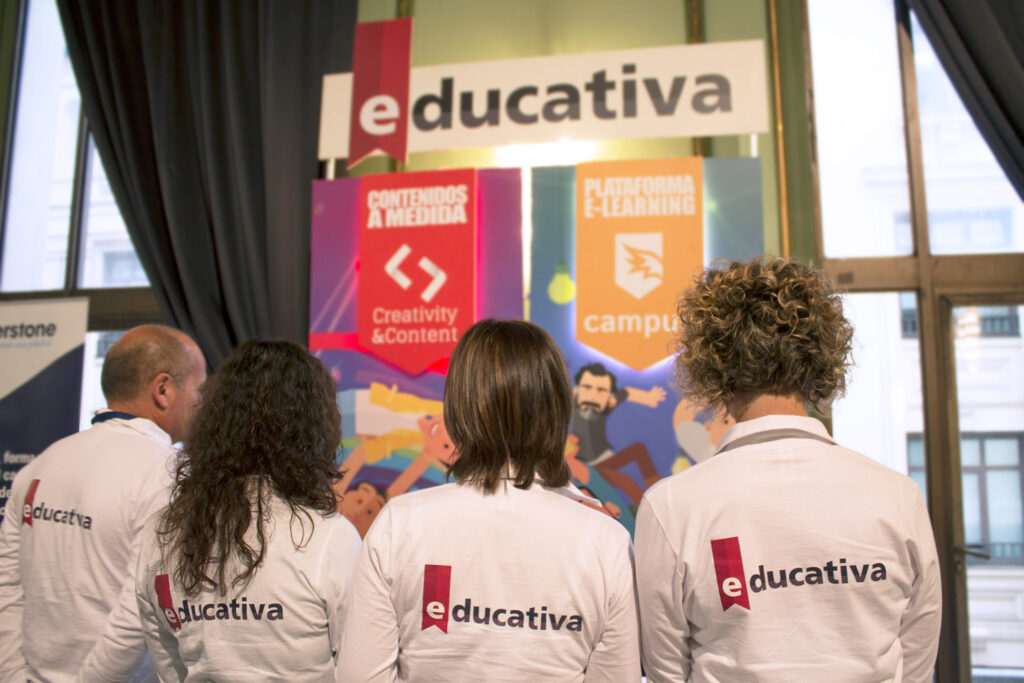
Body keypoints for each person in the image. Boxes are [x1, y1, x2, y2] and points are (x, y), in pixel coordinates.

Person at [635, 257, 942, 682]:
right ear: (821, 357)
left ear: (713, 365)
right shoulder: (897, 496)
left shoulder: (671, 506)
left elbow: (666, 670)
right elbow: (916, 662)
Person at [338, 319, 640, 682]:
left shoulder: (400, 522)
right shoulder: (606, 539)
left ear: (458, 408)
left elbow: (361, 676)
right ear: (558, 409)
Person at [135, 340, 361, 680]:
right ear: (315, 428)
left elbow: (170, 667)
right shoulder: (328, 537)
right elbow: (359, 666)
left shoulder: (162, 532)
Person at [0, 324, 206, 682]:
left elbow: (6, 587)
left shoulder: (41, 464)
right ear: (163, 389)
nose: (203, 404)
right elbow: (141, 611)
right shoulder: (170, 475)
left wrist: (14, 674)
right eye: (199, 389)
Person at [571, 362, 665, 505]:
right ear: (576, 391)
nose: (593, 396)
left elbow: (626, 392)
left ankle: (658, 495)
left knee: (639, 450)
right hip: (590, 467)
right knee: (625, 481)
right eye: (587, 387)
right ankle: (650, 508)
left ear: (611, 399)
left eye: (601, 390)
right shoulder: (570, 405)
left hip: (605, 458)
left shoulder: (606, 407)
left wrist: (648, 397)